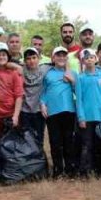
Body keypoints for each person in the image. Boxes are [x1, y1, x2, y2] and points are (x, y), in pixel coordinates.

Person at [41, 47, 77, 178]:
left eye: (63, 55)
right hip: (52, 112)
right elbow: (43, 92)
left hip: (69, 111)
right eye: (58, 55)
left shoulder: (72, 73)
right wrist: (42, 104)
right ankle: (58, 170)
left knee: (68, 141)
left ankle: (70, 169)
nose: (61, 58)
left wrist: (72, 81)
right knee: (55, 142)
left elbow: (78, 91)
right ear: (53, 58)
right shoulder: (48, 74)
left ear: (67, 58)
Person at [74, 48, 101, 177]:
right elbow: (79, 99)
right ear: (83, 61)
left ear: (96, 59)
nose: (89, 60)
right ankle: (86, 171)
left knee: (100, 144)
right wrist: (81, 117)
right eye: (86, 58)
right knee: (87, 145)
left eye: (91, 57)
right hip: (87, 118)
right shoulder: (80, 78)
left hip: (100, 117)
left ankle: (100, 170)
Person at [19, 48, 52, 139]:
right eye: (28, 59)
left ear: (39, 58)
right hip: (24, 110)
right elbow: (8, 64)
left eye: (34, 58)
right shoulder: (21, 69)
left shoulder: (45, 68)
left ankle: (40, 153)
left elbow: (61, 62)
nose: (32, 61)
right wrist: (17, 66)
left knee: (39, 137)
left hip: (39, 111)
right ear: (24, 60)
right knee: (26, 138)